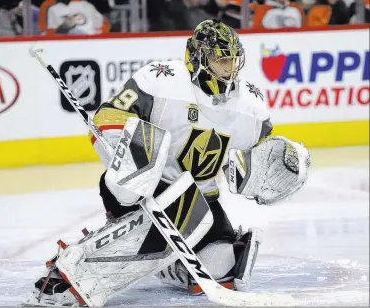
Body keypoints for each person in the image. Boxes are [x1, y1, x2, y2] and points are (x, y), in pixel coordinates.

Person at [26, 19, 310, 306]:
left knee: (223, 267)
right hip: (143, 191)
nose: (229, 66)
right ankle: (71, 270)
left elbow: (259, 159)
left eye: (233, 59)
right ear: (197, 56)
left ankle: (171, 263)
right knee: (147, 146)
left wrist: (279, 168)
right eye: (220, 58)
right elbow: (107, 116)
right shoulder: (160, 78)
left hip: (202, 202)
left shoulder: (250, 103)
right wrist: (130, 161)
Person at [38, 0, 110, 35]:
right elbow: (44, 35)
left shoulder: (83, 3)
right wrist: (63, 28)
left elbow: (104, 24)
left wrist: (95, 36)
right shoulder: (47, 6)